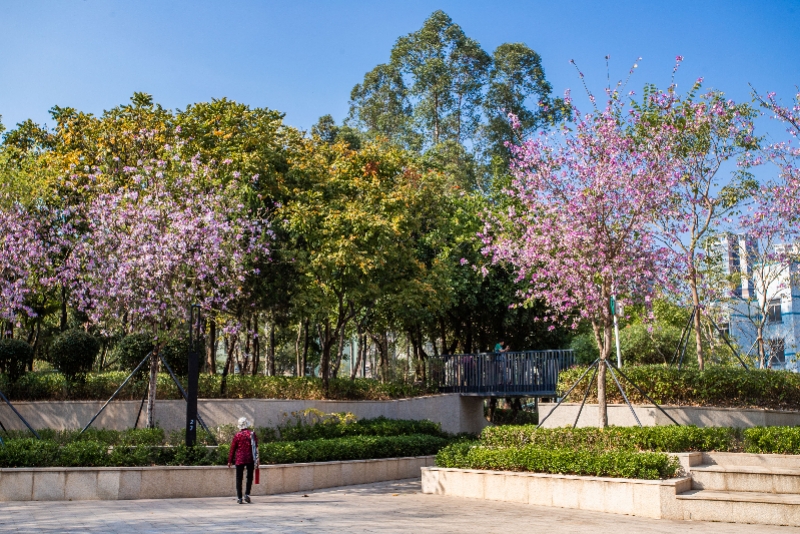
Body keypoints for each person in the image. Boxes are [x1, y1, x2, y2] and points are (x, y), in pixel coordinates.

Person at [228, 417, 258, 504]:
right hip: (250, 458)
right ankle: (247, 494)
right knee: (249, 477)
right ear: (247, 425)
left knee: (239, 478)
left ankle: (239, 497)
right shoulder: (252, 434)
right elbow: (256, 447)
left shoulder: (237, 435)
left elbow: (233, 449)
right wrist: (257, 458)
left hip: (239, 459)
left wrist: (230, 461)